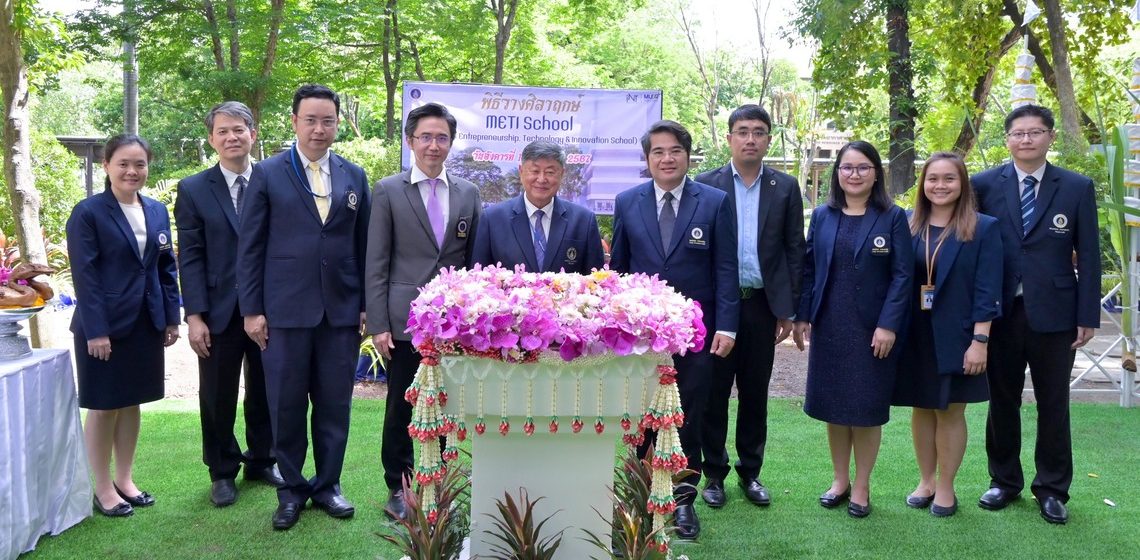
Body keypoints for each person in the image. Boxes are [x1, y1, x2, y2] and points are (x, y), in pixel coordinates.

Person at [236, 84, 371, 530]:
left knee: (335, 404)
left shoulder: (354, 176)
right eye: (310, 119)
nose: (319, 128)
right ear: (294, 121)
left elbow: (365, 245)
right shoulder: (268, 173)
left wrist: (366, 305)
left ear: (337, 124)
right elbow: (250, 247)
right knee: (286, 405)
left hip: (341, 313)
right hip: (284, 312)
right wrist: (252, 309)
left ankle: (328, 485)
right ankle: (291, 490)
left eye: (327, 120)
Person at [609, 120, 739, 540]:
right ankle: (641, 494)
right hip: (640, 338)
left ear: (688, 155)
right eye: (658, 152)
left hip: (696, 337)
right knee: (641, 416)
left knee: (687, 417)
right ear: (647, 160)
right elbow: (620, 273)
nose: (667, 158)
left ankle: (683, 502)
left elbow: (726, 268)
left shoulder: (715, 201)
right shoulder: (628, 202)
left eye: (675, 151)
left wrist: (729, 327)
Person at [973, 104, 1100, 524]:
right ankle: (1003, 481)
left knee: (1054, 402)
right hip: (1001, 312)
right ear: (1007, 139)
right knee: (1002, 400)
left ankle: (1052, 489)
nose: (1026, 140)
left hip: (1057, 313)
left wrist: (1089, 315)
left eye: (1035, 132)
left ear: (1050, 137)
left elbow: (1092, 256)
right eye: (1018, 133)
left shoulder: (1077, 187)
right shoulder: (984, 184)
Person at [366, 102, 482, 521]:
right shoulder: (388, 190)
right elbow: (376, 261)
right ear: (411, 140)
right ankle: (399, 486)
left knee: (450, 403)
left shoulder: (468, 192)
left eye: (442, 138)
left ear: (451, 143)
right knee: (402, 404)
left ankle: (444, 481)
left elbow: (473, 262)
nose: (434, 145)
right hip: (403, 322)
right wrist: (378, 323)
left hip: (454, 325)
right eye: (426, 137)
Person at [792, 140, 913, 519]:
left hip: (872, 330)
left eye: (862, 167)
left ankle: (862, 485)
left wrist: (888, 325)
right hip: (830, 324)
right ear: (837, 173)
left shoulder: (892, 217)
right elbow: (809, 268)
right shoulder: (825, 216)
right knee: (835, 407)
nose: (854, 174)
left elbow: (902, 276)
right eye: (847, 168)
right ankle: (840, 480)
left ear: (875, 173)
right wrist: (803, 315)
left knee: (865, 408)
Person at [694, 104, 805, 508]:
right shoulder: (705, 185)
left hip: (762, 305)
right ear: (729, 138)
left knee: (755, 392)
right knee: (714, 392)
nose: (750, 139)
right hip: (717, 308)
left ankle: (751, 472)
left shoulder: (785, 187)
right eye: (742, 131)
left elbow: (795, 249)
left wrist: (789, 310)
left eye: (759, 132)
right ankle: (714, 474)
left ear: (768, 139)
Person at [175, 101, 284, 508]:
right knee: (217, 393)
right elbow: (191, 256)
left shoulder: (275, 180)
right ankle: (222, 470)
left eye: (239, 129)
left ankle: (262, 459)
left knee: (265, 389)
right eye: (222, 131)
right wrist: (195, 316)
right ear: (211, 139)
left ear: (252, 133)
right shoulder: (193, 189)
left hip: (268, 308)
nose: (231, 137)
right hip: (218, 312)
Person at [66, 134, 181, 517]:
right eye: (124, 164)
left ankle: (125, 480)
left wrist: (170, 318)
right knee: (104, 406)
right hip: (105, 328)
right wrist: (97, 330)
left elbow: (165, 268)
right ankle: (101, 488)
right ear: (106, 166)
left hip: (146, 322)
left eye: (140, 164)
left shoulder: (157, 211)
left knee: (131, 403)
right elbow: (86, 276)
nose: (132, 171)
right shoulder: (89, 212)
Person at [891, 152, 1003, 517]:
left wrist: (980, 341)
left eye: (949, 179)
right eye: (933, 178)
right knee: (922, 408)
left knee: (951, 411)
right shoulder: (907, 224)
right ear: (923, 185)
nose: (940, 186)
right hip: (915, 334)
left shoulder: (983, 227)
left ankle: (946, 487)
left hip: (959, 335)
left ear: (963, 184)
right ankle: (925, 480)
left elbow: (988, 288)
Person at [470, 140, 604, 273]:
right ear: (521, 172)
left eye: (550, 172)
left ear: (562, 174)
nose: (541, 179)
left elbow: (596, 281)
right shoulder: (492, 219)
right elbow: (479, 279)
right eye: (534, 171)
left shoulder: (583, 221)